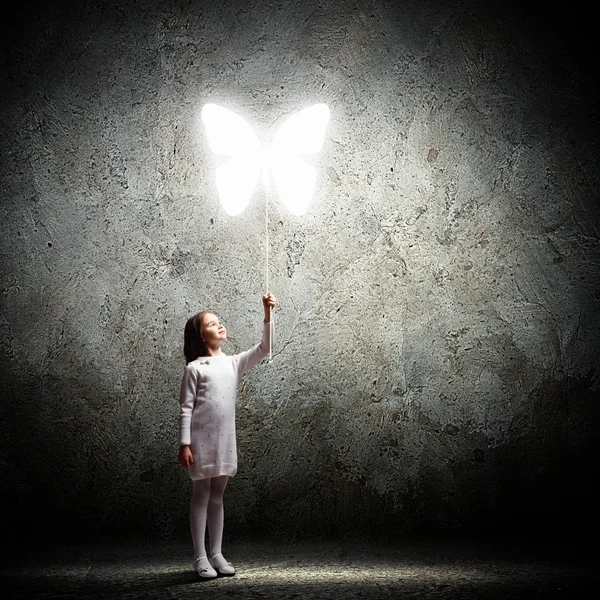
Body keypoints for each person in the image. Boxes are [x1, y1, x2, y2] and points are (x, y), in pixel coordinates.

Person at [178, 293, 276, 579]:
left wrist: (267, 314)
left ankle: (217, 553)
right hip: (199, 443)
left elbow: (265, 348)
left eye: (219, 322)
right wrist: (184, 444)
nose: (219, 326)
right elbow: (186, 408)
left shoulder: (234, 363)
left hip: (224, 441)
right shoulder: (194, 369)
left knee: (217, 496)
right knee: (201, 495)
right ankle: (200, 556)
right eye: (212, 324)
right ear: (200, 336)